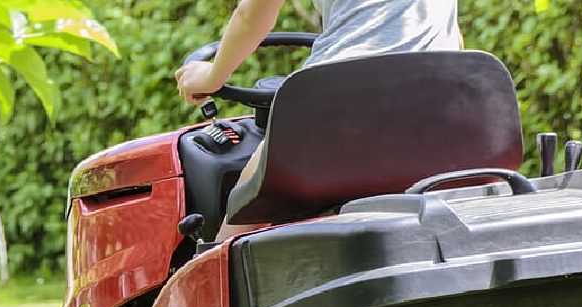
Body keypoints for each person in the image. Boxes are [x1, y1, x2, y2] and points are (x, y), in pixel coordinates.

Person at [175, 0, 462, 240]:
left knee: (245, 203)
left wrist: (212, 76)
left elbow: (251, 17)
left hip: (342, 105)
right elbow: (451, 34)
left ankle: (214, 300)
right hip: (447, 110)